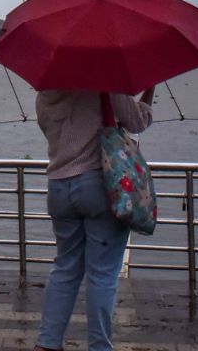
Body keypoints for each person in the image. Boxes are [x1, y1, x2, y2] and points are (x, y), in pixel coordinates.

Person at [33, 88, 153, 351]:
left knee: (65, 268)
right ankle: (99, 346)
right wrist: (150, 90)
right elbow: (136, 122)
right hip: (98, 184)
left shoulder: (44, 95)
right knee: (102, 274)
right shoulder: (105, 83)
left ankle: (47, 343)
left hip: (59, 187)